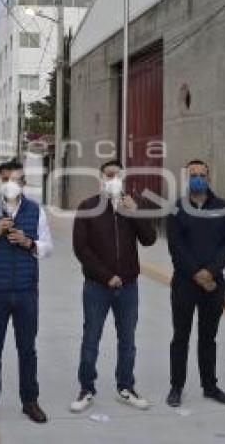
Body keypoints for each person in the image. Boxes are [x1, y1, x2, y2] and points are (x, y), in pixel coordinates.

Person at [0, 159, 53, 426]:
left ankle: (30, 401)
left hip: (26, 291)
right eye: (5, 179)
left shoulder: (36, 211)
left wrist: (28, 242)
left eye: (15, 179)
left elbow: (47, 247)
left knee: (27, 349)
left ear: (24, 182)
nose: (10, 184)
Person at [70, 160, 157, 413]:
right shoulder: (87, 207)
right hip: (98, 286)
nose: (114, 179)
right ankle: (87, 388)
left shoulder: (131, 206)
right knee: (91, 338)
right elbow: (81, 248)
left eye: (118, 176)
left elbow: (149, 239)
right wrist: (106, 276)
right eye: (109, 175)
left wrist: (135, 212)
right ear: (101, 179)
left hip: (128, 287)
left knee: (127, 340)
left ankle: (125, 387)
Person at [166, 159, 225, 408]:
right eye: (193, 174)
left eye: (202, 175)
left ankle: (210, 386)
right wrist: (197, 274)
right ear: (187, 179)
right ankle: (176, 387)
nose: (198, 178)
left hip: (214, 285)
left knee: (208, 338)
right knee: (180, 337)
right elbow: (176, 247)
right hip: (185, 284)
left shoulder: (223, 207)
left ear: (209, 178)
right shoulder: (176, 208)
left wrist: (211, 272)